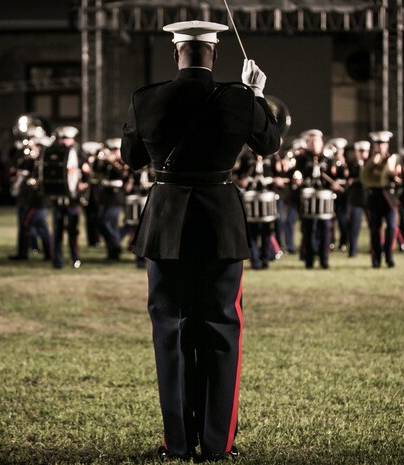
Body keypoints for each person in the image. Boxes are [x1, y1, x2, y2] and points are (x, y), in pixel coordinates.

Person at [121, 20, 279, 461]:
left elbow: (130, 157)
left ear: (177, 54)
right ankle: (215, 443)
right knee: (221, 330)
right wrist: (256, 94)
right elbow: (270, 143)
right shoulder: (238, 98)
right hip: (219, 224)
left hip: (166, 223)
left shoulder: (146, 98)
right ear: (214, 55)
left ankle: (176, 442)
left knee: (170, 332)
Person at [294, 130, 334, 269]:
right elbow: (294, 174)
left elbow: (333, 175)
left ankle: (324, 260)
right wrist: (298, 180)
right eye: (312, 141)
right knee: (308, 230)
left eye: (318, 141)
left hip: (324, 199)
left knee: (325, 230)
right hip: (307, 199)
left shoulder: (327, 158)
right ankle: (309, 260)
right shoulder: (302, 158)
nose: (315, 144)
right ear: (307, 144)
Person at [362, 130, 400, 268]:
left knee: (391, 227)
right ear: (374, 145)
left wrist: (395, 176)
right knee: (375, 230)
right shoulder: (369, 161)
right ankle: (376, 259)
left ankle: (389, 256)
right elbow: (365, 177)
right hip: (374, 197)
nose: (381, 146)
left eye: (383, 143)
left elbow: (399, 178)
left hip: (389, 198)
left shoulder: (393, 159)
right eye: (378, 144)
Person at [51, 126, 85, 269]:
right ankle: (57, 260)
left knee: (73, 231)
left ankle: (74, 258)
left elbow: (86, 171)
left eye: (69, 138)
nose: (66, 141)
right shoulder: (56, 153)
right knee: (57, 231)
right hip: (58, 198)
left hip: (73, 199)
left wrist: (84, 183)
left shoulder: (79, 153)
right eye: (64, 138)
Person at [95, 138, 125, 260]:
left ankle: (116, 247)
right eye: (112, 149)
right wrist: (99, 160)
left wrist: (112, 161)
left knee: (109, 222)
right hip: (106, 195)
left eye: (116, 150)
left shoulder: (122, 162)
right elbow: (97, 170)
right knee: (102, 222)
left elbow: (121, 173)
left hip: (115, 196)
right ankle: (112, 250)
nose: (113, 152)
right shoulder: (107, 162)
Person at [346, 140, 370, 257]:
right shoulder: (351, 164)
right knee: (354, 226)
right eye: (360, 151)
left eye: (365, 151)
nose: (362, 154)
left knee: (374, 226)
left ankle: (374, 249)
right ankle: (352, 251)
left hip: (369, 198)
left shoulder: (370, 164)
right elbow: (348, 179)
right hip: (355, 199)